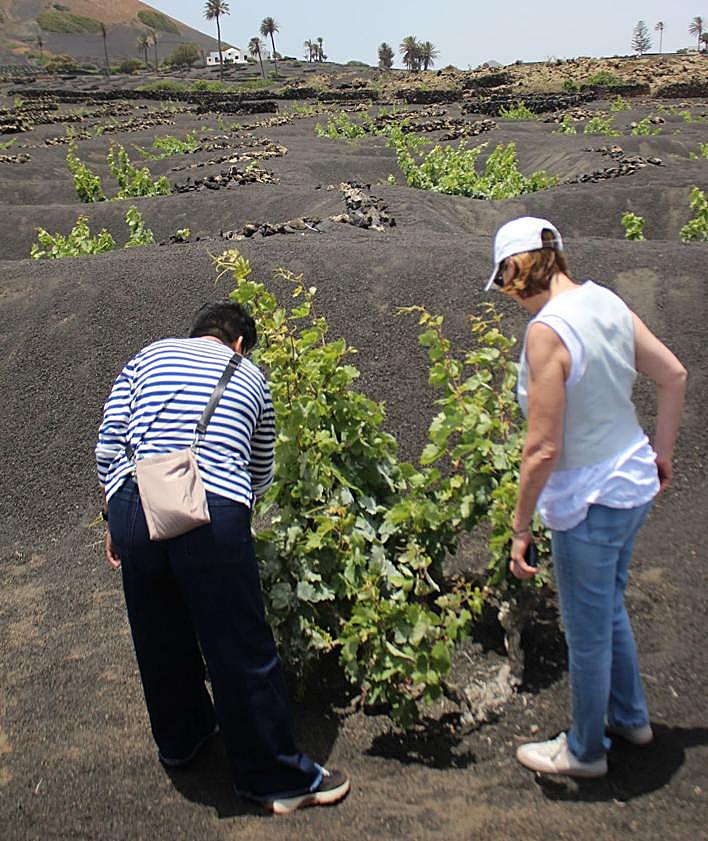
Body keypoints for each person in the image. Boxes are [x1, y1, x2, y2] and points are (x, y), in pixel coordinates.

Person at [96, 301, 350, 813]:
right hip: (210, 504)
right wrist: (240, 506)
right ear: (239, 343)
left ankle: (182, 741)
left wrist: (113, 511)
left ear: (196, 333)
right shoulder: (249, 373)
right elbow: (261, 465)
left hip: (135, 500)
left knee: (158, 634)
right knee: (239, 644)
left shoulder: (146, 356)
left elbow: (109, 438)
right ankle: (274, 778)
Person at [484, 217, 687, 778]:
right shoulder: (605, 301)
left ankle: (585, 751)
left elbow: (543, 448)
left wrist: (521, 527)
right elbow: (673, 375)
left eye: (505, 281)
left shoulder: (547, 330)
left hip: (588, 497)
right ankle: (630, 718)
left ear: (515, 269)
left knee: (586, 628)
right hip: (632, 480)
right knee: (608, 603)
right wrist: (662, 451)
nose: (510, 297)